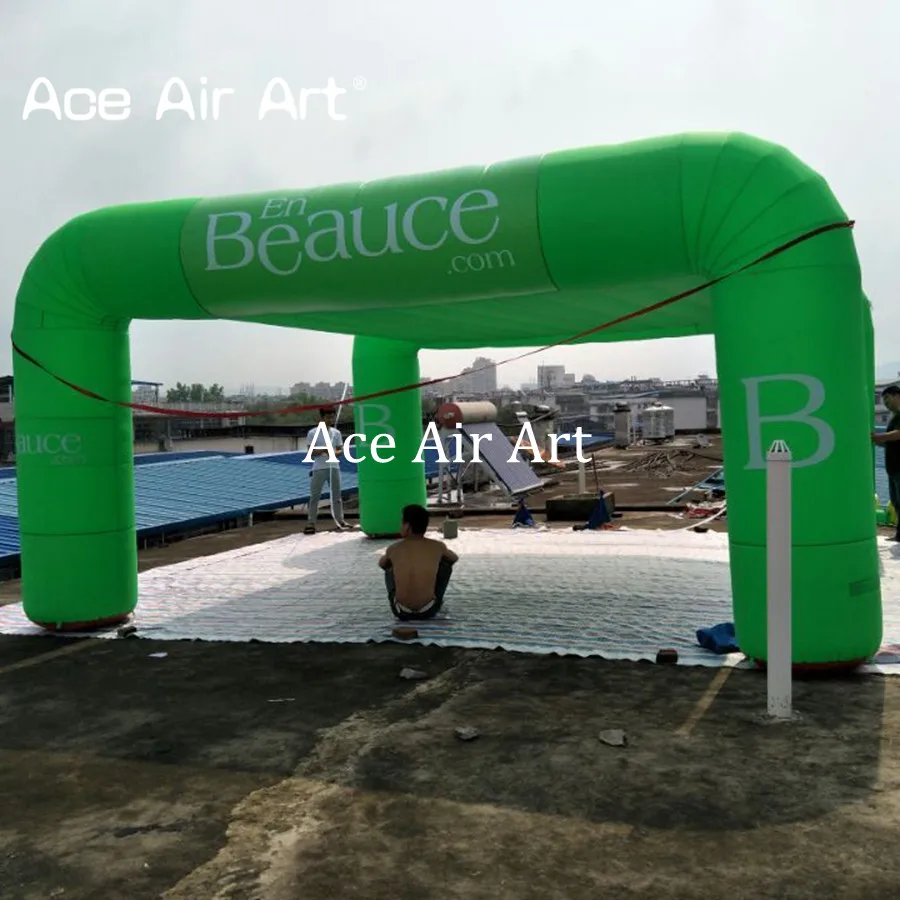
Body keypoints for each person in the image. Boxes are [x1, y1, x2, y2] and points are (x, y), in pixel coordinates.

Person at [378, 504, 458, 620]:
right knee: (445, 566)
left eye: (402, 522)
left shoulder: (394, 548)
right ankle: (436, 600)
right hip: (429, 611)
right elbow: (454, 558)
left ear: (407, 527)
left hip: (401, 612)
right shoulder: (437, 546)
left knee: (389, 569)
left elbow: (382, 564)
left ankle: (402, 599)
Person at [305, 407, 349, 534]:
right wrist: (324, 450)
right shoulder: (313, 433)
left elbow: (340, 450)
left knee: (337, 496)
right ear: (322, 417)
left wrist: (334, 452)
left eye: (332, 417)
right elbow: (310, 451)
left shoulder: (336, 433)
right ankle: (311, 522)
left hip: (334, 467)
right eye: (328, 417)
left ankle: (340, 521)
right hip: (319, 467)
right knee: (315, 496)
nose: (330, 419)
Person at [873, 385, 900, 541]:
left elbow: (897, 435)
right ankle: (899, 534)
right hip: (893, 467)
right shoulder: (894, 417)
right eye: (884, 401)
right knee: (896, 501)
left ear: (897, 395)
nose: (886, 404)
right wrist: (880, 442)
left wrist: (879, 437)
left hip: (898, 466)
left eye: (888, 399)